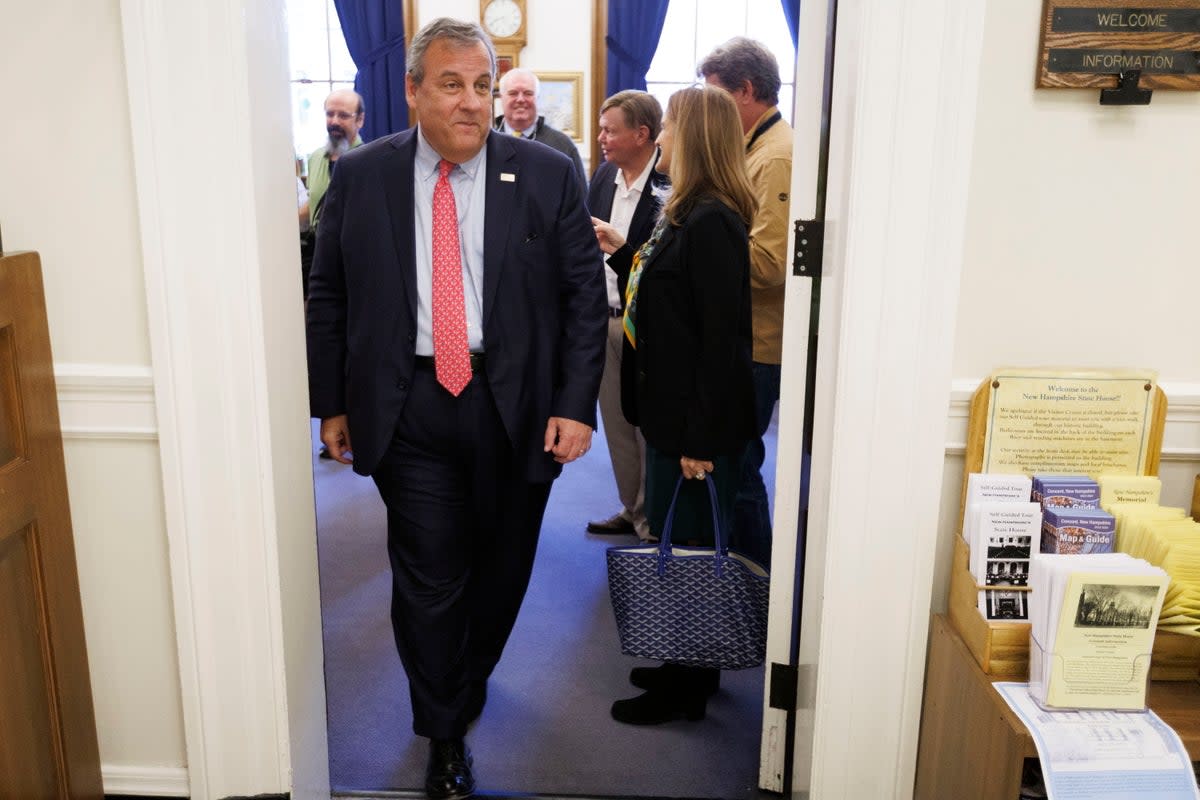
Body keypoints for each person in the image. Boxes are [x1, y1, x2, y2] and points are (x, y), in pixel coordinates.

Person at [305, 17, 606, 800]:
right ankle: (442, 733)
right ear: (411, 91)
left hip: (517, 407)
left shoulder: (545, 173)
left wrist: (577, 405)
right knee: (429, 576)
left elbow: (581, 298)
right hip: (407, 408)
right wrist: (330, 403)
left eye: (482, 85)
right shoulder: (364, 177)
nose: (472, 103)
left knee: (502, 572)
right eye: (451, 84)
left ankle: (463, 678)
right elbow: (328, 292)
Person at [593, 84, 757, 726]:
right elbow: (667, 289)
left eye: (671, 129)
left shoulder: (714, 218)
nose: (661, 139)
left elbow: (721, 342)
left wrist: (699, 440)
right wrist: (623, 249)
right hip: (667, 412)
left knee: (689, 549)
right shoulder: (685, 211)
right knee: (677, 542)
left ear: (696, 139)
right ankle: (683, 663)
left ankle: (687, 690)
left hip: (695, 424)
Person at [699, 37, 794, 568]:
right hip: (746, 335)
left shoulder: (776, 156)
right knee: (734, 466)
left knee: (737, 469)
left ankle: (756, 591)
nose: (709, 109)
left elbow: (770, 264)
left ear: (747, 90)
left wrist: (701, 254)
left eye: (716, 96)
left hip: (758, 341)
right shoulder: (757, 147)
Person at [584, 90, 668, 543]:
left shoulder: (669, 183)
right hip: (603, 321)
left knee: (646, 430)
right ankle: (633, 509)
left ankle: (655, 520)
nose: (601, 138)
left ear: (642, 135)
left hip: (646, 328)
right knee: (616, 427)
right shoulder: (602, 179)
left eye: (609, 130)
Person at [302, 88, 365, 301]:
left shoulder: (371, 161)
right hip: (317, 254)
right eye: (330, 114)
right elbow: (314, 202)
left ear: (360, 120)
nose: (334, 121)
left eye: (343, 115)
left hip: (354, 258)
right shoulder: (315, 158)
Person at [493, 67, 586, 186]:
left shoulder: (563, 146)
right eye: (513, 93)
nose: (520, 99)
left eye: (528, 93)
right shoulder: (486, 144)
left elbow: (579, 198)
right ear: (501, 98)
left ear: (538, 98)